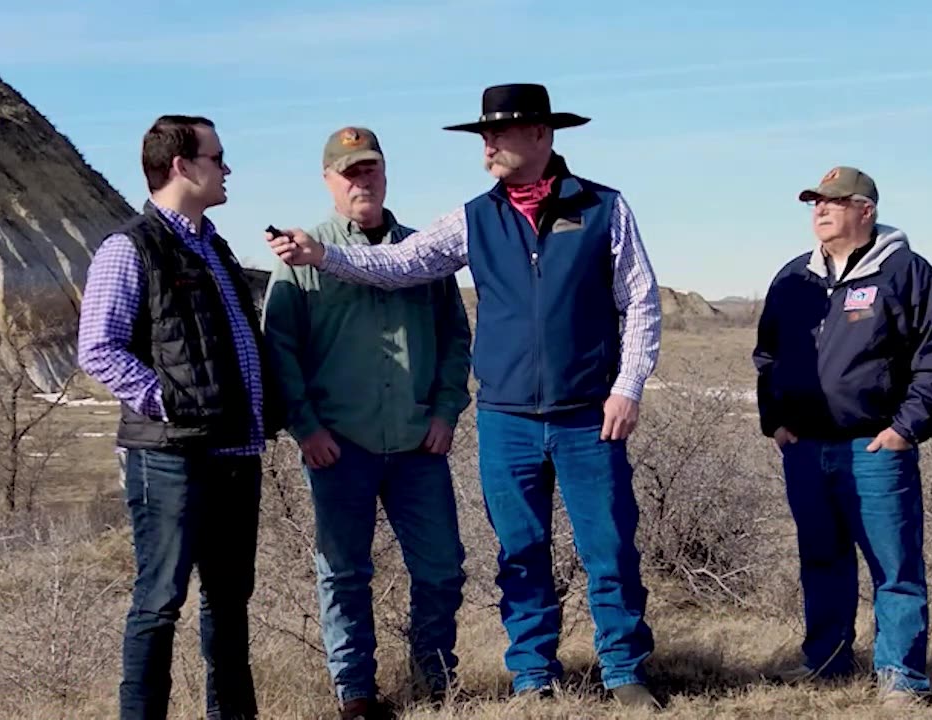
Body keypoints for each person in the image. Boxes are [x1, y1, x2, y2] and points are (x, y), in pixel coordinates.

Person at [265, 84, 664, 709]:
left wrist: (627, 387)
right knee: (520, 551)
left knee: (609, 545)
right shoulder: (474, 217)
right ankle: (533, 674)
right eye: (482, 136)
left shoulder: (605, 208)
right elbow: (402, 264)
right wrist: (324, 256)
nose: (487, 146)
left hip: (590, 414)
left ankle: (624, 671)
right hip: (507, 417)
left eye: (497, 134)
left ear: (540, 135)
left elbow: (639, 300)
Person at [261, 126, 473, 719]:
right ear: (328, 181)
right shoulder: (301, 257)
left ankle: (435, 681)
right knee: (344, 573)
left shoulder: (422, 251)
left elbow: (457, 338)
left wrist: (446, 410)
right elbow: (281, 349)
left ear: (385, 173)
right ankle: (354, 693)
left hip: (417, 444)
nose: (363, 180)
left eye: (371, 169)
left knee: (441, 569)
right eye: (349, 172)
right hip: (339, 444)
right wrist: (305, 428)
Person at [77, 114, 282, 720]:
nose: (226, 169)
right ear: (181, 167)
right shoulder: (129, 247)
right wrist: (166, 400)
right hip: (168, 456)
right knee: (159, 599)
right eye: (217, 157)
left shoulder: (213, 245)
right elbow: (98, 346)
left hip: (233, 453)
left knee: (228, 598)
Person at [752, 166, 932, 707]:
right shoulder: (794, 278)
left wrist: (905, 429)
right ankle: (826, 660)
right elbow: (767, 356)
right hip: (806, 447)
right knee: (821, 558)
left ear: (866, 210)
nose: (820, 209)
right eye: (815, 201)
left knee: (894, 566)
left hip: (874, 447)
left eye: (834, 201)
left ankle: (902, 678)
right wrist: (776, 420)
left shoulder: (905, 273)